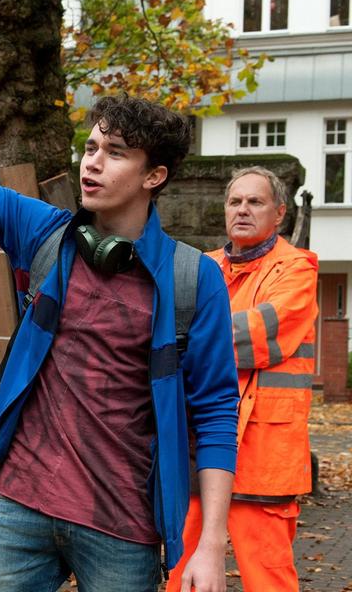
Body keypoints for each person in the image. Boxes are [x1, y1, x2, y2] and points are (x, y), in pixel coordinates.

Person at [0, 6, 240, 592]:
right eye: (91, 146)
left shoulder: (191, 279)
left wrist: (209, 544)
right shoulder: (47, 235)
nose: (92, 162)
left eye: (115, 152)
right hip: (20, 509)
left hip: (124, 529)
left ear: (154, 176)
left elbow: (215, 413)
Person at [167, 167, 318, 591]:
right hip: (198, 447)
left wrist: (187, 336)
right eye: (235, 201)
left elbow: (260, 333)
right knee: (180, 574)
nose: (243, 210)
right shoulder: (202, 267)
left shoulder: (296, 269)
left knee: (267, 578)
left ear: (280, 214)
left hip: (264, 456)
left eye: (256, 202)